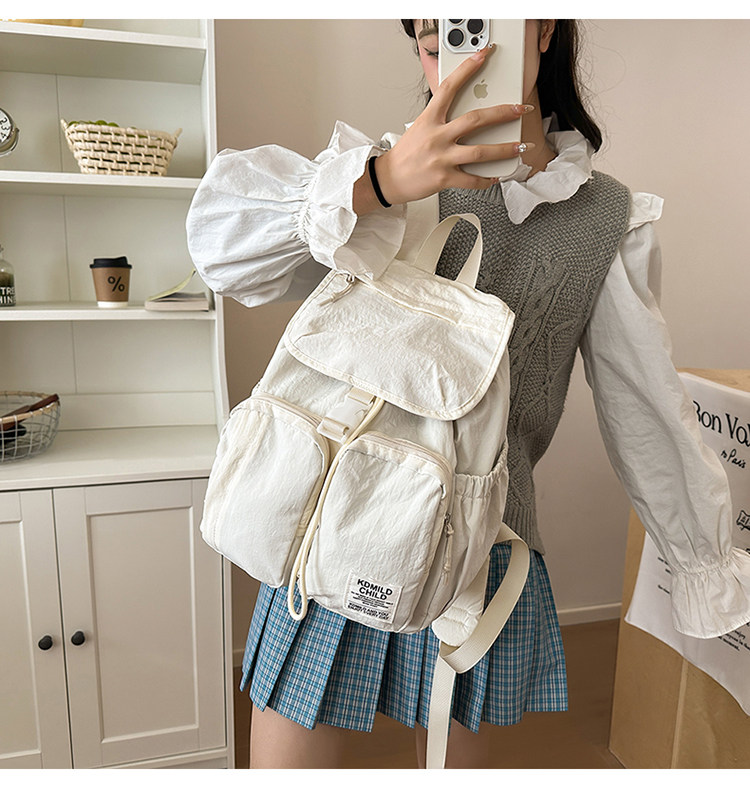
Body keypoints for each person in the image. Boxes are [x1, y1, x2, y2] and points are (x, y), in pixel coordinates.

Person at [186, 20, 750, 769]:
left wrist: (704, 564)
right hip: (332, 517)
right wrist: (380, 182)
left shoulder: (607, 220)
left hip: (482, 547)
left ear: (542, 28)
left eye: (486, 24)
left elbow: (645, 409)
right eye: (436, 37)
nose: (460, 55)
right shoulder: (368, 178)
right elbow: (222, 252)